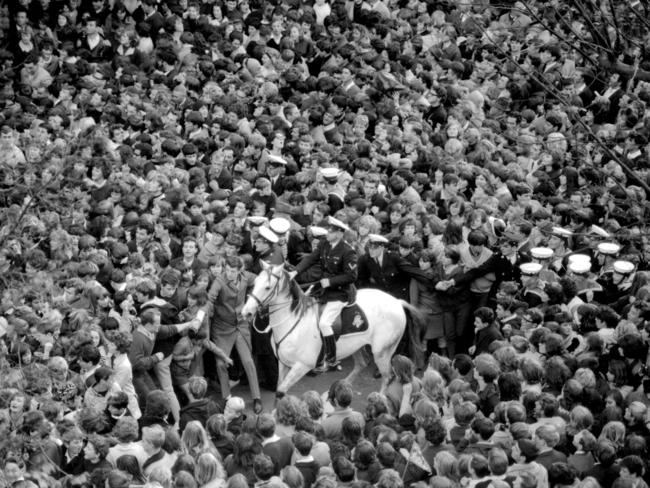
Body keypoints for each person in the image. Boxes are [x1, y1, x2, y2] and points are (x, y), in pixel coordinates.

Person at [292, 216, 358, 373]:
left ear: (340, 234)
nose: (328, 232)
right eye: (329, 230)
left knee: (324, 324)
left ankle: (332, 359)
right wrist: (295, 271)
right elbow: (310, 260)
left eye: (332, 231)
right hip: (322, 289)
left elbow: (352, 276)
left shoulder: (348, 251)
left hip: (339, 292)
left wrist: (331, 281)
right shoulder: (324, 244)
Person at [204, 255, 263, 414]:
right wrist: (202, 314)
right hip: (222, 327)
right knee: (221, 363)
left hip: (241, 324)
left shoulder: (246, 277)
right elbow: (210, 298)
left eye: (232, 271)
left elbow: (262, 280)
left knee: (248, 361)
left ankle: (256, 397)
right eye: (227, 270)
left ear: (240, 271)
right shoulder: (219, 281)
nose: (229, 273)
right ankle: (226, 398)